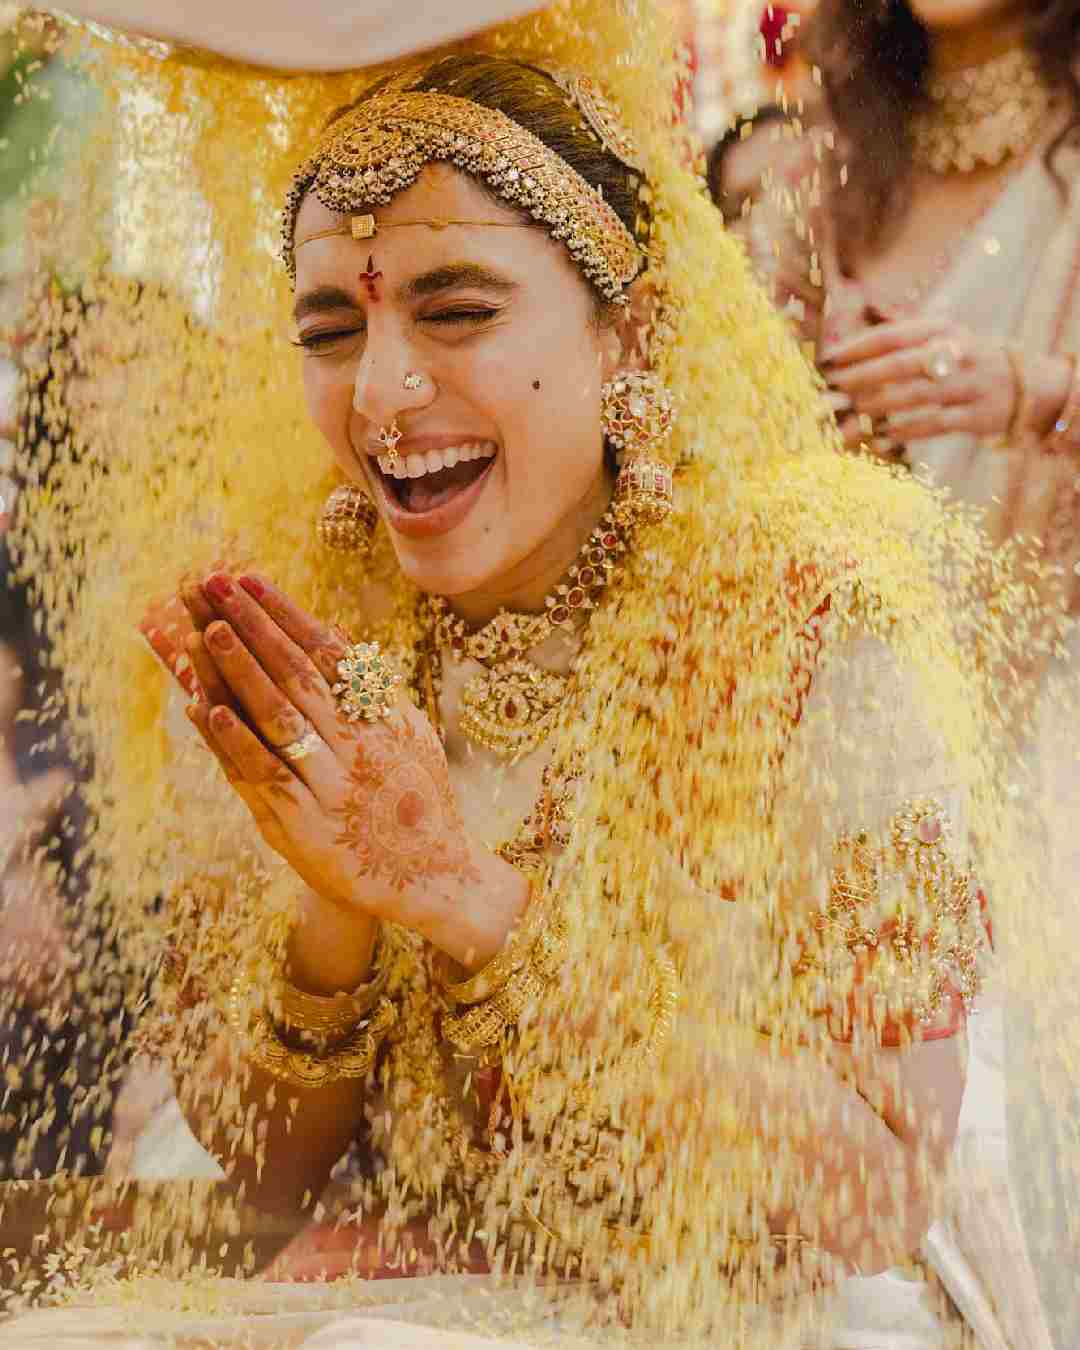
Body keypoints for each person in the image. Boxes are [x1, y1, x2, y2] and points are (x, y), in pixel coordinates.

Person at [0, 6, 1060, 1347]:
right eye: (331, 328)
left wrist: (466, 899)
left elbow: (873, 1187)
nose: (381, 392)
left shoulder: (811, 622)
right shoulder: (300, 633)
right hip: (395, 1286)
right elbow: (260, 1178)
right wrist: (335, 914)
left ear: (631, 332)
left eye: (459, 309)